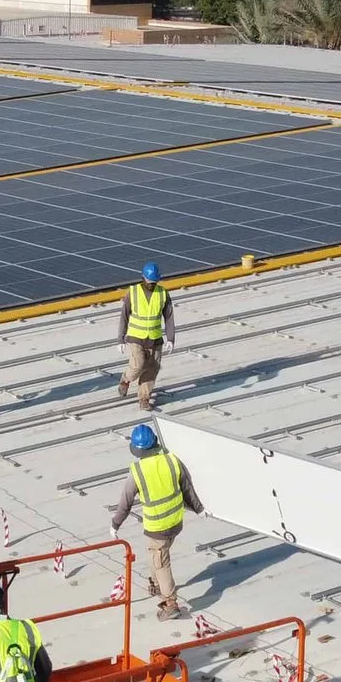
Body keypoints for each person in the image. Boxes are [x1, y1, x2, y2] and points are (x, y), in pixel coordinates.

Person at [109, 423, 203, 620]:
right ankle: (156, 583)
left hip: (157, 526)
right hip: (176, 521)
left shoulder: (138, 471)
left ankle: (170, 603)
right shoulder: (171, 460)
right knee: (157, 555)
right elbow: (187, 487)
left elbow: (125, 502)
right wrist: (199, 509)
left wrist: (115, 525)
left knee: (161, 561)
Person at [115, 262, 174, 411]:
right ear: (143, 278)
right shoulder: (133, 292)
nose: (151, 284)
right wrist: (121, 338)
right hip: (136, 338)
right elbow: (124, 315)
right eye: (149, 281)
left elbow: (169, 317)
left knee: (152, 368)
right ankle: (125, 380)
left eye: (154, 282)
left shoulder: (162, 293)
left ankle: (144, 398)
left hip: (155, 339)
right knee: (138, 365)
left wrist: (171, 338)